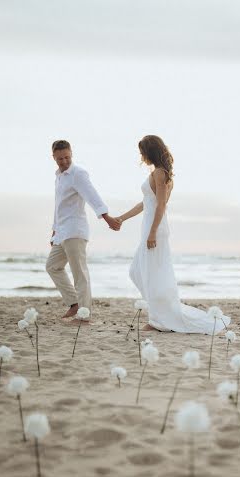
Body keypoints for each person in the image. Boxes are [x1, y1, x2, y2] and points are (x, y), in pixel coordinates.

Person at [116, 135, 230, 333]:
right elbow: (146, 203)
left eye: (142, 153)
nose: (141, 157)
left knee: (152, 274)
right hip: (150, 228)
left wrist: (152, 233)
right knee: (138, 271)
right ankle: (160, 314)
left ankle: (158, 320)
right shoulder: (158, 173)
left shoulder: (160, 173)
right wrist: (122, 218)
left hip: (155, 229)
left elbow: (161, 205)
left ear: (150, 152)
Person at [46, 140, 120, 324]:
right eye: (60, 158)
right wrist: (54, 230)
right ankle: (74, 303)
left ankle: (84, 315)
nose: (64, 161)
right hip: (62, 232)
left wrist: (107, 217)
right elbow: (59, 206)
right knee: (52, 266)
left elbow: (92, 195)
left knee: (79, 273)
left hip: (75, 231)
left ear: (71, 154)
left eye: (67, 157)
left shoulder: (78, 173)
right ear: (53, 157)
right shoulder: (59, 176)